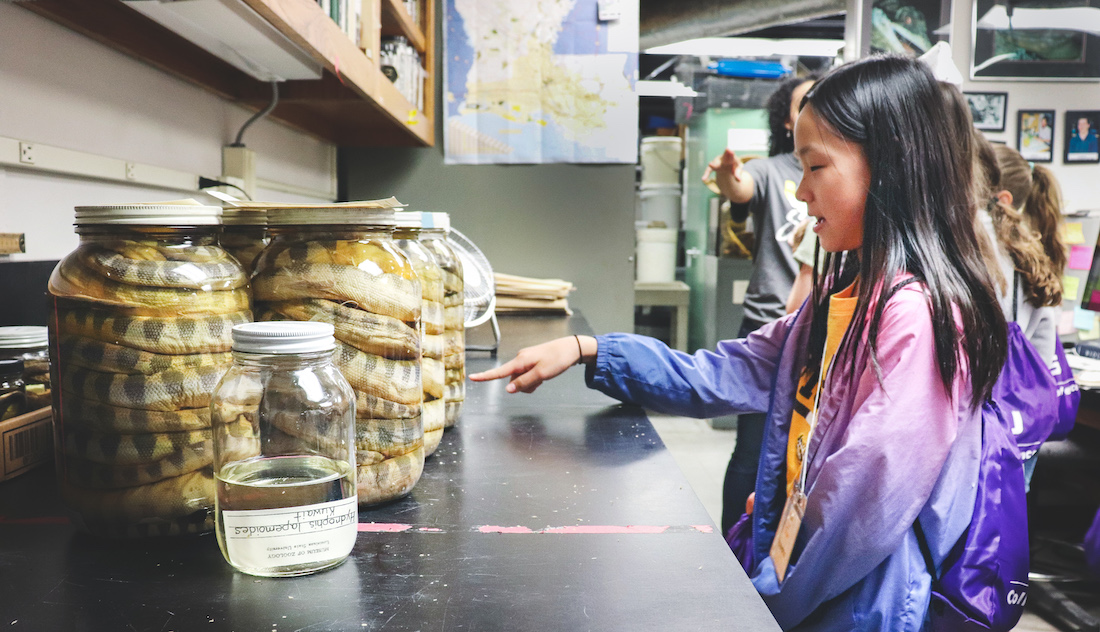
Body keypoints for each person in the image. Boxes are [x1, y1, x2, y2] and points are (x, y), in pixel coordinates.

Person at [472, 55, 1008, 628]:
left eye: (816, 167)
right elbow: (724, 371)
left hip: (852, 605)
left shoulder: (914, 317)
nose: (800, 192)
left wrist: (770, 595)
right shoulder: (837, 306)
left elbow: (862, 505)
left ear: (889, 166)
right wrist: (590, 350)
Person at [700, 72, 820, 535]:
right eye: (803, 101)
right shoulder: (772, 169)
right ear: (788, 119)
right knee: (751, 451)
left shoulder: (844, 168)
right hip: (769, 326)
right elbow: (742, 187)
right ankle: (735, 547)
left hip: (818, 332)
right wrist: (731, 177)